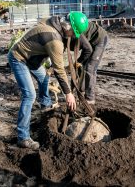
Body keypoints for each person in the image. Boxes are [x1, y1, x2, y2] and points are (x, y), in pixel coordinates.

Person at [8, 11, 89, 149]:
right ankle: (23, 137)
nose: (73, 37)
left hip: (32, 59)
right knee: (29, 95)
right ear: (67, 27)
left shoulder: (54, 21)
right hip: (19, 58)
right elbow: (59, 70)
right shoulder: (55, 40)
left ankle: (45, 105)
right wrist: (68, 94)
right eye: (74, 34)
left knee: (44, 77)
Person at [70, 20, 108, 105]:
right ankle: (82, 91)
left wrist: (79, 61)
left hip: (100, 40)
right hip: (90, 42)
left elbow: (88, 50)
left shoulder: (76, 30)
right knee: (81, 66)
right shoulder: (70, 28)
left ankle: (90, 98)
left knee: (90, 68)